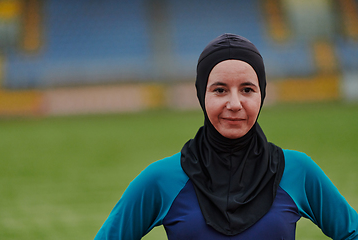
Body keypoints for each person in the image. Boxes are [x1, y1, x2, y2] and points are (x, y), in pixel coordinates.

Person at [94, 33, 358, 239]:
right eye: (220, 90)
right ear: (201, 95)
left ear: (261, 95)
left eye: (247, 89)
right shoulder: (161, 178)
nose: (234, 103)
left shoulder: (298, 171)